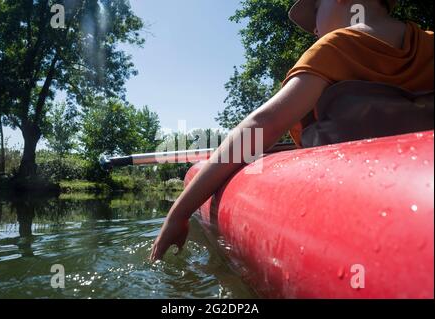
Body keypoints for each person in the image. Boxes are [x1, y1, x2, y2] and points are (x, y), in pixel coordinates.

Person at [150, 0, 434, 261]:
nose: (313, 28)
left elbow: (264, 124)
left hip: (354, 205)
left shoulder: (335, 46)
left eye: (315, 10)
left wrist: (178, 213)